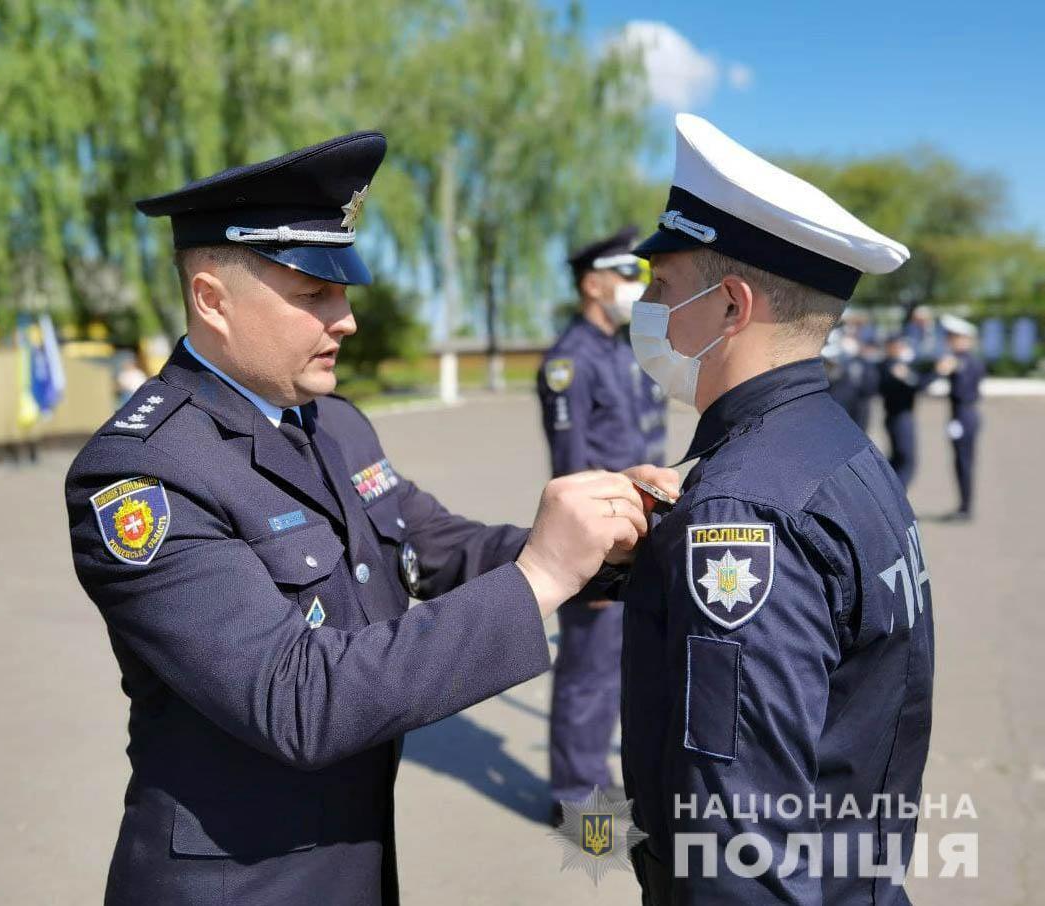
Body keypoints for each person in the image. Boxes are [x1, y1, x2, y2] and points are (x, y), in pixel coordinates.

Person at [63, 131, 673, 906]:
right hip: (239, 881)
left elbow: (436, 546)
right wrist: (540, 577)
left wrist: (610, 543)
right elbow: (295, 699)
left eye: (343, 291)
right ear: (212, 298)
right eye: (314, 294)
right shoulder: (143, 473)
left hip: (350, 859)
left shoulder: (331, 422)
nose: (346, 319)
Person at [619, 114, 934, 903]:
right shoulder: (834, 448)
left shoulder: (744, 505)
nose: (645, 307)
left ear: (730, 306)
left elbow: (741, 848)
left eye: (660, 287)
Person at [537, 226, 668, 825]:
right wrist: (586, 557)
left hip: (641, 534)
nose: (635, 288)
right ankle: (579, 804)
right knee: (588, 675)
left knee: (623, 668)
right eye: (625, 276)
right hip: (599, 541)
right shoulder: (570, 360)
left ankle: (603, 786)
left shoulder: (622, 349)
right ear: (593, 284)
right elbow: (571, 468)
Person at [936, 314, 985, 520]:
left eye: (953, 337)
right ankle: (964, 506)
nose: (949, 341)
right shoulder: (968, 359)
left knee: (964, 462)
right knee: (961, 462)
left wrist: (950, 368)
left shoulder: (964, 361)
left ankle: (965, 508)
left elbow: (963, 390)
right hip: (963, 414)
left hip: (964, 414)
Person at [878, 334, 923, 489]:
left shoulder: (898, 364)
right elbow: (918, 385)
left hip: (900, 417)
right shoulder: (890, 366)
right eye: (898, 345)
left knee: (899, 459)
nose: (902, 348)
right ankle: (896, 497)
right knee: (906, 460)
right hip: (899, 417)